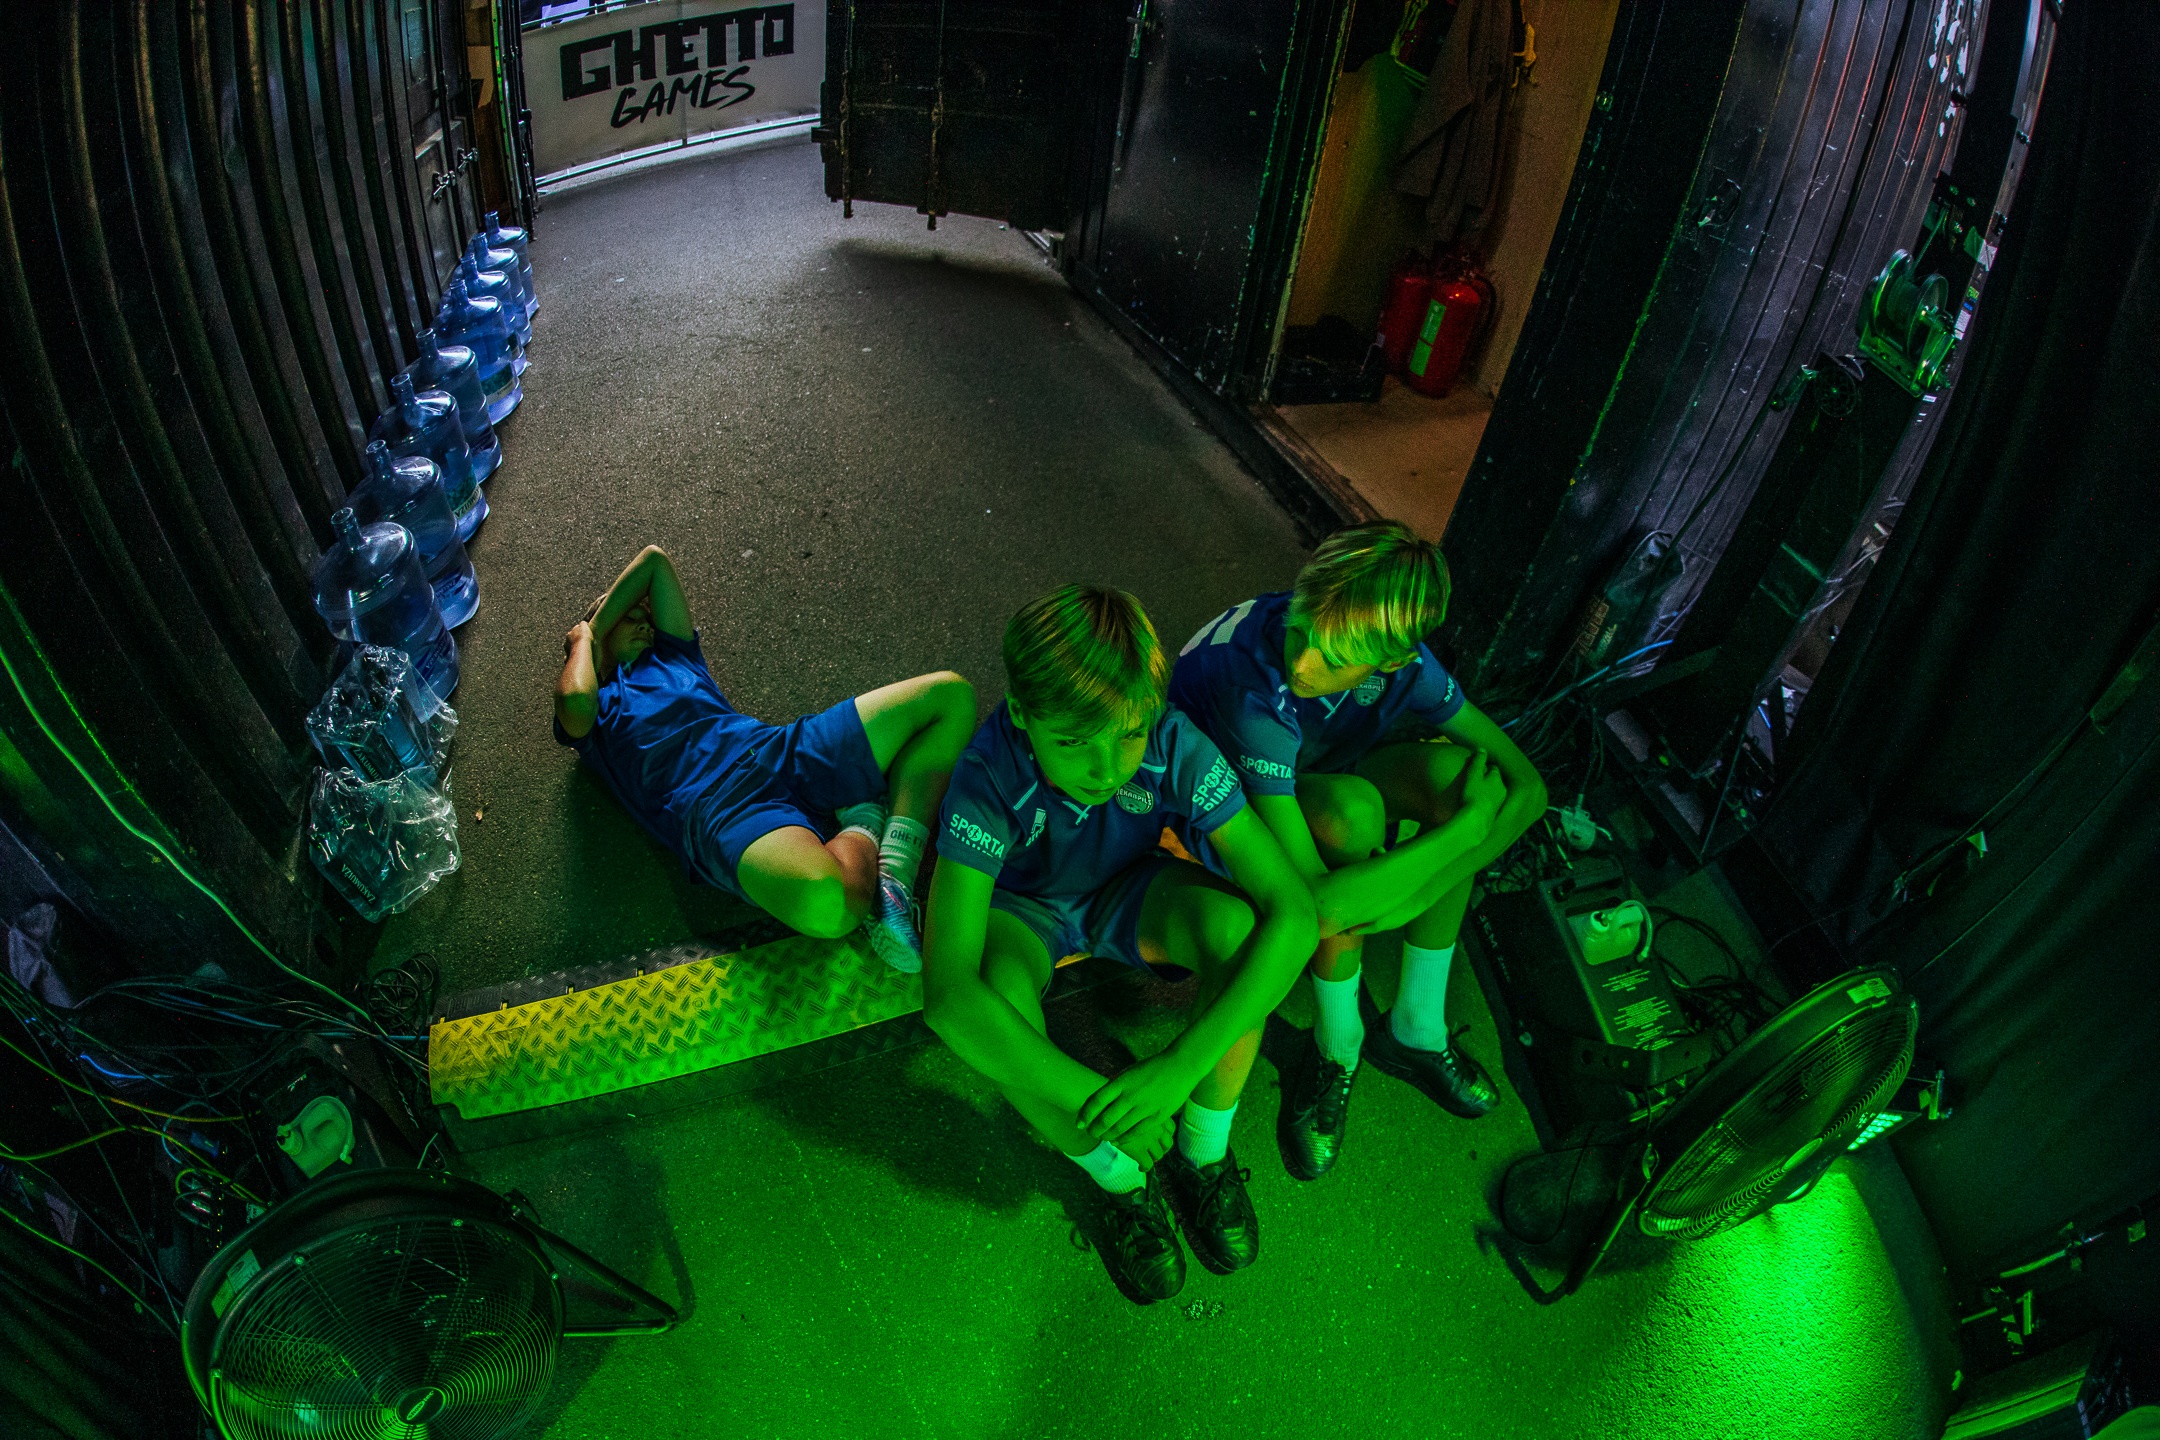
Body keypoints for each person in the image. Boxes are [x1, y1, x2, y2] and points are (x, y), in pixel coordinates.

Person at [922, 585, 1316, 1302]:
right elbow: (947, 997)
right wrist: (1108, 1105)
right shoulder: (988, 775)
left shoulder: (1171, 739)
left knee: (1238, 931)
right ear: (1021, 712)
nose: (1107, 768)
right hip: (1025, 907)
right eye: (1075, 741)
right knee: (994, 997)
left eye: (1128, 733)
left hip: (1127, 884)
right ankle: (1116, 1174)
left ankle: (1203, 1152)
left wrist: (1177, 1071)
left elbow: (1293, 912)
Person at [1169, 521, 1546, 1180]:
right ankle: (1338, 1044)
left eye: (1336, 657)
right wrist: (1460, 838)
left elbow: (1529, 788)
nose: (1303, 663)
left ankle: (1417, 1028)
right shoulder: (1250, 686)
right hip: (1212, 814)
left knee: (1460, 780)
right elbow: (1318, 906)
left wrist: (1429, 883)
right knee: (1352, 818)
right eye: (1301, 630)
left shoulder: (1409, 666)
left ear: (1394, 661)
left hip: (1309, 775)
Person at [554, 545, 975, 970]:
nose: (645, 623)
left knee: (951, 698)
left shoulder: (674, 654)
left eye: (645, 616)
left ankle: (894, 875)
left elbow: (655, 562)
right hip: (721, 808)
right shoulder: (600, 712)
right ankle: (865, 817)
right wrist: (586, 637)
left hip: (778, 748)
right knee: (829, 907)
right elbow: (573, 700)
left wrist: (602, 629)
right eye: (629, 618)